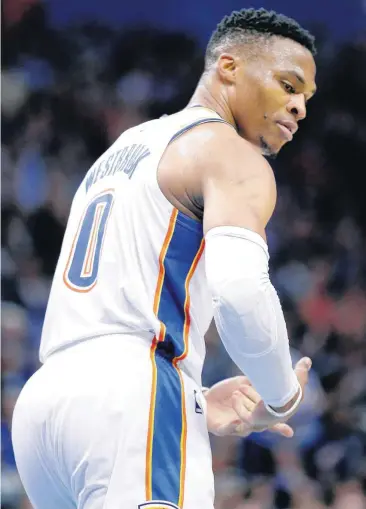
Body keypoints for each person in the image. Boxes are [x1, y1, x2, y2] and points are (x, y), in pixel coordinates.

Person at [12, 8, 317, 509]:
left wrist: (190, 397)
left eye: (306, 97)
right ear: (229, 66)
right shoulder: (230, 151)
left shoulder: (124, 149)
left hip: (46, 407)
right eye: (288, 85)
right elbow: (240, 292)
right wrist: (283, 395)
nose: (300, 107)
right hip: (133, 393)